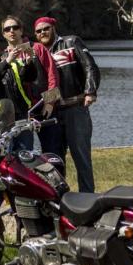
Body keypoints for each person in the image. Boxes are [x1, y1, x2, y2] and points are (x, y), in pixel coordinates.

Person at [33, 16, 100, 193]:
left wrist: (90, 91)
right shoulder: (38, 52)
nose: (42, 33)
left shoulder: (71, 42)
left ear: (54, 27)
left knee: (81, 157)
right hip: (53, 112)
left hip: (75, 107)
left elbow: (89, 66)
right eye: (38, 31)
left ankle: (87, 198)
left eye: (46, 28)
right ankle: (59, 199)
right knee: (53, 159)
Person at [1, 15, 62, 155]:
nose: (12, 31)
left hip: (44, 108)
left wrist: (50, 102)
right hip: (21, 114)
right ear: (3, 34)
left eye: (15, 27)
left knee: (52, 152)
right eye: (7, 29)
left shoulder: (38, 48)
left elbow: (53, 75)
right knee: (21, 154)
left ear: (21, 30)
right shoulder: (4, 57)